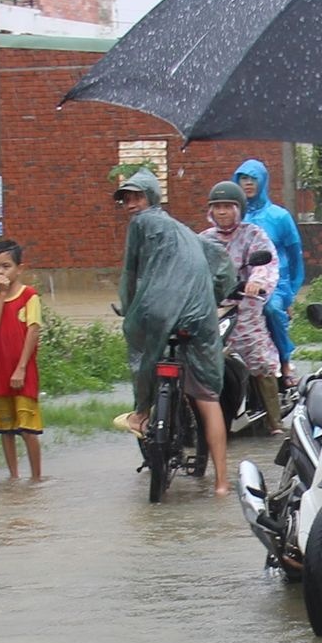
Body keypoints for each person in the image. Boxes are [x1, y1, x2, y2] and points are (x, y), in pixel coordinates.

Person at [110, 167, 229, 497]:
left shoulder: (140, 224)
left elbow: (129, 275)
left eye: (137, 196)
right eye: (127, 199)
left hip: (160, 312)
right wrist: (213, 299)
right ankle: (221, 484)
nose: (132, 204)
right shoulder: (189, 233)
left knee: (140, 349)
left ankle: (141, 413)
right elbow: (223, 266)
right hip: (200, 317)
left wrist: (128, 308)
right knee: (208, 398)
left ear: (151, 198)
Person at [202, 178, 283, 429]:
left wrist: (256, 282)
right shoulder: (203, 239)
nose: (222, 211)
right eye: (217, 206)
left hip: (245, 309)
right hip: (212, 310)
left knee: (259, 357)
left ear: (239, 208)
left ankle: (274, 421)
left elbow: (266, 265)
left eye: (228, 206)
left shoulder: (253, 235)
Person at [234, 156, 304, 380]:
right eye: (243, 178)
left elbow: (295, 257)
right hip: (240, 284)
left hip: (276, 284)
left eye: (253, 179)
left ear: (263, 181)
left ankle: (284, 362)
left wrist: (290, 294)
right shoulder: (234, 216)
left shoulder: (279, 216)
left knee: (271, 310)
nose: (248, 183)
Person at [0, 238, 45, 482]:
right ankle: (13, 477)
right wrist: (2, 295)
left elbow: (33, 331)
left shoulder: (30, 296)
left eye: (6, 266)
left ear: (20, 268)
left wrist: (20, 369)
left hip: (22, 371)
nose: (0, 271)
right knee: (5, 429)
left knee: (29, 430)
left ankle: (36, 479)